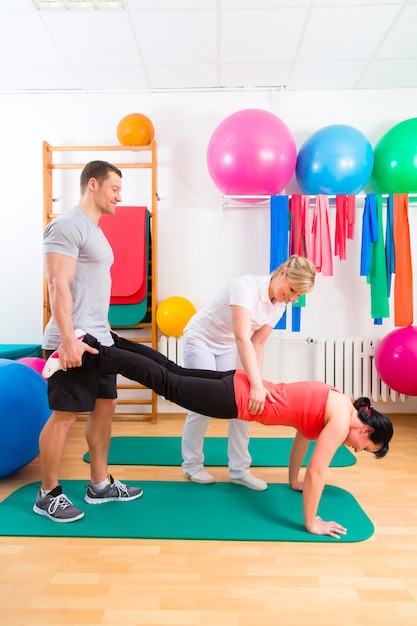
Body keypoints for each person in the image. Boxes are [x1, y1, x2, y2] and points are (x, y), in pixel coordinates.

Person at [43, 333, 393, 537]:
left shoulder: (338, 401)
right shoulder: (340, 419)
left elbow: (303, 439)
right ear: (365, 428)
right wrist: (311, 521)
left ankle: (107, 341)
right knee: (168, 382)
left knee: (172, 372)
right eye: (364, 446)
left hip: (237, 383)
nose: (355, 447)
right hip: (237, 399)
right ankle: (92, 354)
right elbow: (319, 471)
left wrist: (293, 481)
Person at [34, 160, 143, 524]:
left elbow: (90, 288)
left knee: (106, 407)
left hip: (99, 337)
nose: (119, 196)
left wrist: (106, 331)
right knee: (64, 416)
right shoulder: (66, 226)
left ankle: (99, 484)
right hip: (73, 340)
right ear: (93, 185)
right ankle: (47, 493)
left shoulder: (95, 230)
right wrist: (67, 341)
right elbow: (57, 285)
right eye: (114, 189)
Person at [181, 255, 317, 490]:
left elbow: (258, 343)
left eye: (298, 296)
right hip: (200, 340)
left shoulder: (280, 305)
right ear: (283, 272)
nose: (293, 298)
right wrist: (254, 383)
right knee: (201, 404)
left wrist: (257, 384)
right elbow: (242, 336)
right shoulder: (244, 287)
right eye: (293, 290)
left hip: (229, 346)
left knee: (244, 406)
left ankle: (239, 470)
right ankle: (192, 465)